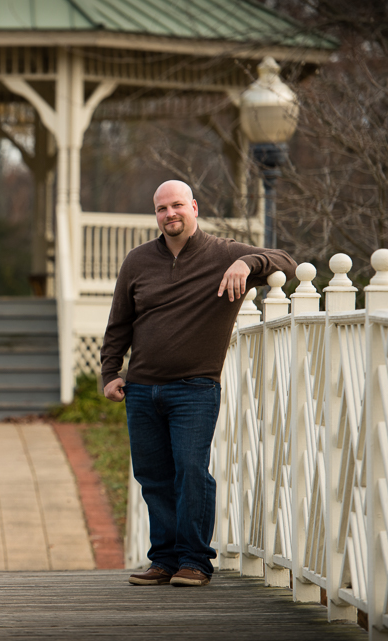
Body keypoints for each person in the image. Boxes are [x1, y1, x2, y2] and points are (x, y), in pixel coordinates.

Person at [101, 180, 296, 587]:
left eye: (176, 206)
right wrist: (110, 372)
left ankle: (194, 561)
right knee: (152, 476)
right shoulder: (137, 260)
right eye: (161, 209)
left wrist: (248, 264)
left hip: (194, 388)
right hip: (141, 389)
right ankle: (164, 560)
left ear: (193, 206)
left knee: (191, 471)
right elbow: (119, 321)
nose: (169, 214)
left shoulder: (224, 253)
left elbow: (287, 263)